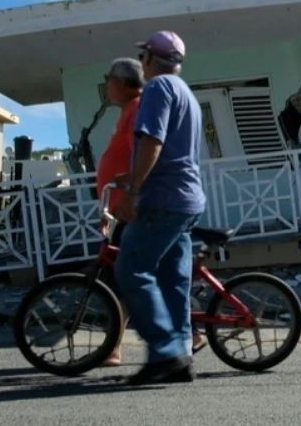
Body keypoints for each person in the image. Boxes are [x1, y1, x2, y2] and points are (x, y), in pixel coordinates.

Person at [114, 30, 206, 385]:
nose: (141, 64)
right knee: (173, 280)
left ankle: (166, 353)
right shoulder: (186, 93)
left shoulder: (157, 89)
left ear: (151, 59)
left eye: (142, 58)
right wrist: (130, 174)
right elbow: (171, 151)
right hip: (186, 200)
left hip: (164, 199)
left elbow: (153, 140)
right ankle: (180, 353)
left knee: (132, 268)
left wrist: (133, 191)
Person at [94, 57, 144, 367]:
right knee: (133, 276)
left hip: (131, 210)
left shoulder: (137, 109)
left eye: (109, 78)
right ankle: (190, 333)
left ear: (122, 83)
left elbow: (142, 157)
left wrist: (130, 199)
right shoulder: (129, 111)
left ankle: (113, 347)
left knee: (121, 277)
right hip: (121, 209)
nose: (106, 84)